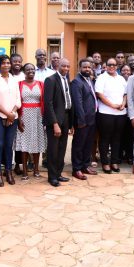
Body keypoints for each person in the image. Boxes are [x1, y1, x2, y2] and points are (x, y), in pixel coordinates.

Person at [0, 54, 21, 187]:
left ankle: (8, 171)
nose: (6, 65)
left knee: (8, 145)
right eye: (3, 63)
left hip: (13, 116)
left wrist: (11, 114)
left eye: (8, 63)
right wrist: (8, 114)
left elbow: (18, 99)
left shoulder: (14, 79)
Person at [44, 58, 74, 187]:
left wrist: (71, 124)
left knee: (62, 148)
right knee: (53, 149)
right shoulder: (50, 80)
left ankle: (58, 173)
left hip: (66, 118)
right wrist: (55, 123)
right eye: (63, 66)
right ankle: (52, 177)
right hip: (55, 120)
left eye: (68, 66)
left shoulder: (67, 79)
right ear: (58, 66)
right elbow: (48, 103)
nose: (66, 68)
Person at [95, 58, 127, 174]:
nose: (112, 67)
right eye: (109, 65)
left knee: (117, 138)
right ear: (106, 66)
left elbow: (125, 93)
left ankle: (114, 161)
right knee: (105, 139)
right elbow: (100, 94)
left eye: (114, 65)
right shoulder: (101, 78)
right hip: (105, 113)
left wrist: (123, 104)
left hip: (120, 113)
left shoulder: (121, 78)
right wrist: (113, 105)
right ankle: (105, 163)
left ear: (117, 66)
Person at [14, 63, 46, 180]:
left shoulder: (41, 84)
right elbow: (16, 103)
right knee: (24, 143)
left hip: (38, 116)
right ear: (24, 71)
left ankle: (36, 169)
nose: (31, 71)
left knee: (36, 142)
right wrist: (18, 119)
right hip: (24, 116)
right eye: (28, 69)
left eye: (32, 69)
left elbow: (44, 102)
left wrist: (44, 119)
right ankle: (25, 171)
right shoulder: (19, 84)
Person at [71, 59, 98, 180]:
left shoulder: (89, 80)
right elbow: (78, 103)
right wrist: (81, 121)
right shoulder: (76, 82)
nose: (87, 69)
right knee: (79, 145)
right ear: (79, 68)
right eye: (84, 67)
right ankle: (76, 169)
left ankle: (85, 166)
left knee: (88, 144)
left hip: (92, 118)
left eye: (89, 67)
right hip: (83, 120)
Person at [119, 64, 134, 165]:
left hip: (131, 113)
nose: (126, 72)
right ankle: (119, 156)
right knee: (119, 136)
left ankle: (129, 156)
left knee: (130, 136)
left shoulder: (133, 81)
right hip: (119, 112)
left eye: (128, 70)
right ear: (121, 71)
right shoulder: (118, 81)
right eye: (124, 70)